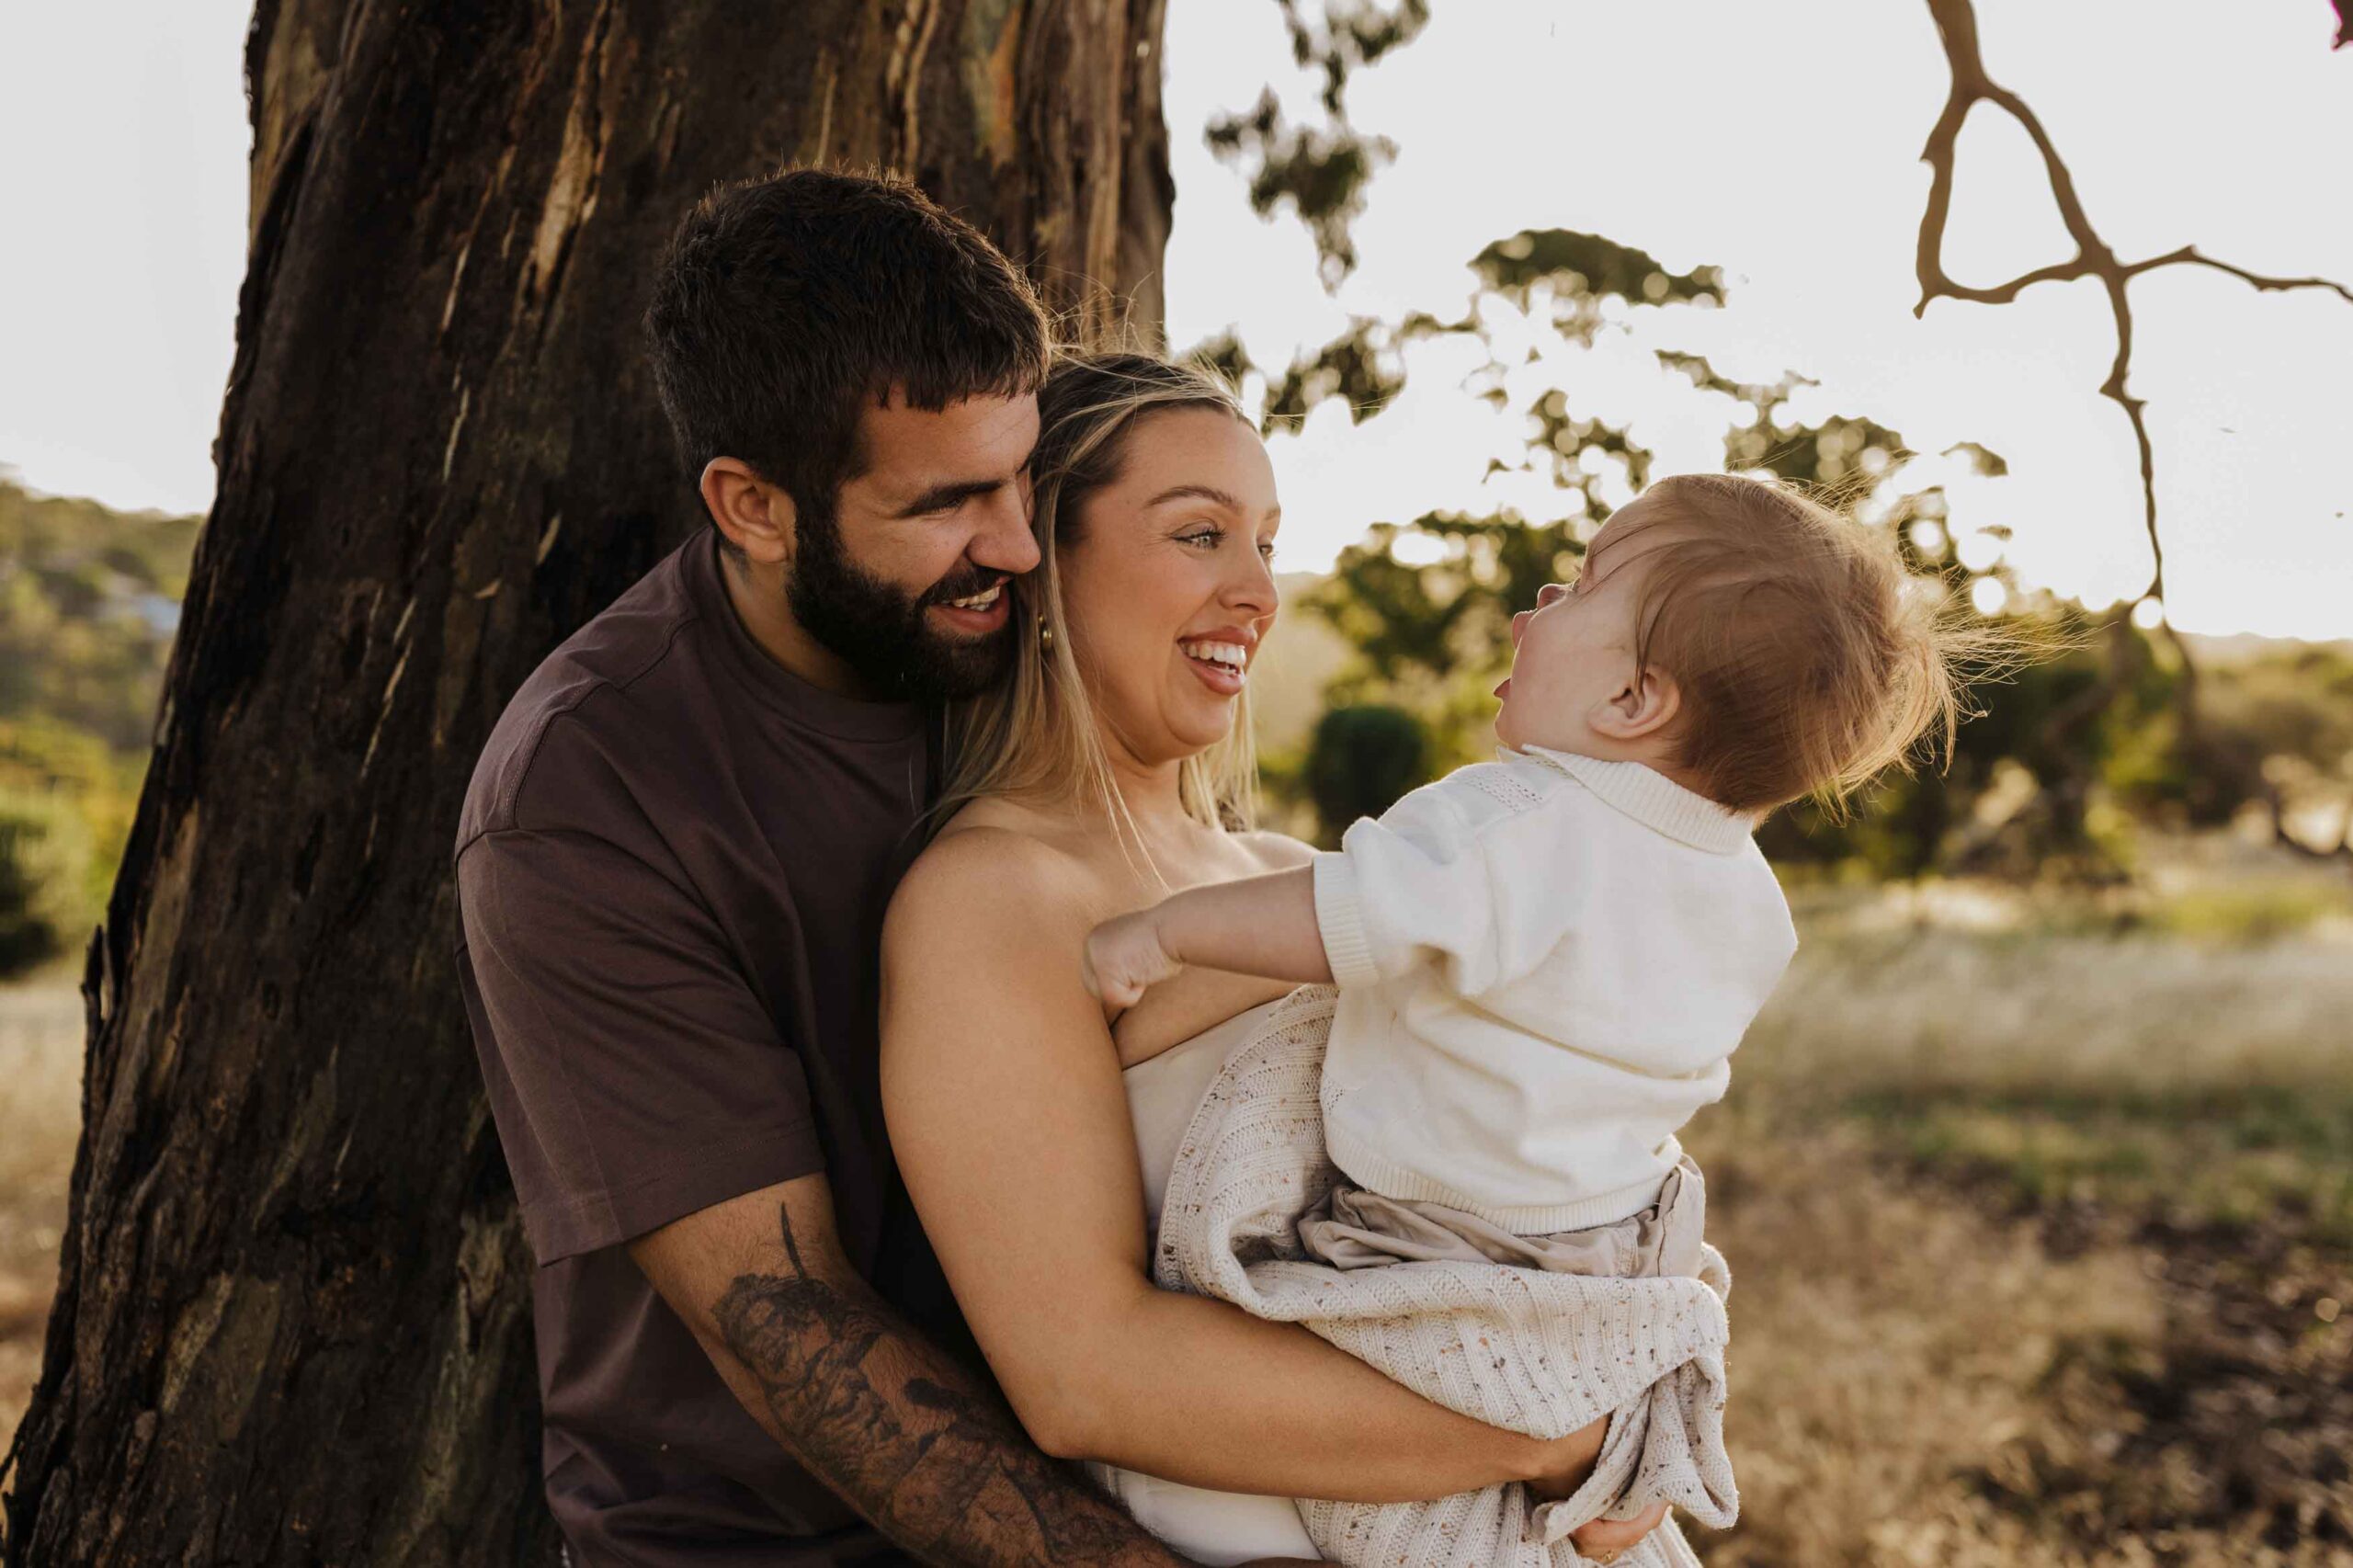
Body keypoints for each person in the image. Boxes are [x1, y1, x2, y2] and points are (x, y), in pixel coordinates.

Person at [452, 168, 1238, 1565]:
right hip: (775, 1537)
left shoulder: (1028, 648)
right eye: (947, 501)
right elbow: (783, 1312)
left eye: (1026, 475)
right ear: (754, 506)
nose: (1012, 543)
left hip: (1136, 1464)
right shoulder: (585, 799)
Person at [1075, 472, 1973, 1552]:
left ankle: (1580, 1459)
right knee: (1589, 1353)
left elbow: (1347, 912)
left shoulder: (1519, 816)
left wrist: (1167, 930)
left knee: (1383, 1459)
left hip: (1447, 1237)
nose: (1534, 602)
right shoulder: (1746, 892)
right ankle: (1636, 1445)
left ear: (1633, 701)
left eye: (1581, 586)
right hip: (1623, 1232)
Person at [879, 353, 1673, 1564]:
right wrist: (1549, 1431)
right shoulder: (992, 896)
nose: (1259, 590)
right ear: (1047, 559)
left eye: (1268, 541)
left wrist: (1626, 1393)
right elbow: (1085, 1373)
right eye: (1201, 534)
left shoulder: (1314, 873)